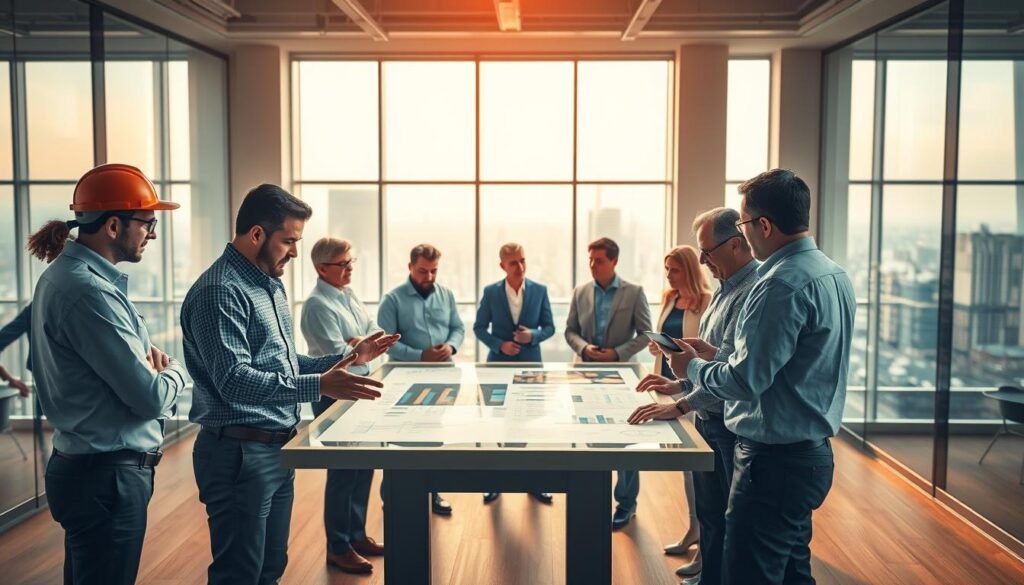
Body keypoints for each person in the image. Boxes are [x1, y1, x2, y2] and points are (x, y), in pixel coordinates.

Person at [181, 184, 398, 585]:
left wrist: (351, 358)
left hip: (275, 446)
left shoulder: (268, 285)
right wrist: (318, 385)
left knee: (270, 568)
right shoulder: (219, 291)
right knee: (239, 573)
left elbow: (281, 361)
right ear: (257, 234)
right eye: (290, 241)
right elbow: (234, 381)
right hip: (237, 453)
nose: (296, 252)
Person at [648, 170, 855, 585]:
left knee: (748, 574)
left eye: (744, 223)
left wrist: (693, 369)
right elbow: (789, 364)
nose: (744, 232)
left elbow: (745, 381)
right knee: (794, 572)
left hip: (773, 462)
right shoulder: (833, 273)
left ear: (763, 226)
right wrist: (715, 357)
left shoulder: (777, 284)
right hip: (809, 454)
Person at [28, 163, 189, 585]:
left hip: (92, 471)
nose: (151, 234)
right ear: (114, 225)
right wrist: (175, 371)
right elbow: (151, 397)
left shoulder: (68, 279)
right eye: (147, 223)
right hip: (106, 478)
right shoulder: (90, 292)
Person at [629, 208, 759, 584]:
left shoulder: (750, 292)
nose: (703, 259)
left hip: (727, 423)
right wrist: (681, 384)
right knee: (711, 512)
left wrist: (682, 402)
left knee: (728, 519)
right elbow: (722, 357)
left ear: (736, 244)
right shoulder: (725, 290)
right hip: (708, 417)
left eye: (707, 250)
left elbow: (737, 375)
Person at [300, 237, 386, 574]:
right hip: (334, 393)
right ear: (323, 268)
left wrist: (361, 346)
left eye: (351, 262)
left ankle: (356, 535)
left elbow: (372, 331)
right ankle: (338, 546)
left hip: (359, 389)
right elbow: (341, 357)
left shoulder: (347, 294)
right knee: (342, 470)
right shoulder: (317, 305)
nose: (350, 269)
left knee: (363, 465)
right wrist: (359, 349)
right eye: (343, 264)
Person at [564, 237, 652, 529]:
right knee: (590, 438)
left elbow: (645, 334)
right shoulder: (580, 291)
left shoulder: (634, 292)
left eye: (598, 260)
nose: (592, 265)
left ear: (614, 261)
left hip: (621, 376)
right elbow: (570, 331)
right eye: (590, 260)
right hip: (585, 375)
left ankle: (626, 504)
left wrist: (617, 354)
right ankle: (592, 497)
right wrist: (585, 349)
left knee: (626, 442)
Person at [377, 243, 465, 515]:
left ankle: (432, 493)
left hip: (442, 377)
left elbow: (457, 328)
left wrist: (450, 347)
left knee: (434, 436)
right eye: (422, 271)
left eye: (433, 271)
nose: (429, 277)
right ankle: (392, 496)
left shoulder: (447, 294)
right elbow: (385, 342)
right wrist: (419, 356)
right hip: (405, 380)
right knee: (401, 438)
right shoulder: (392, 300)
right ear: (410, 267)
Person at [643, 245, 711, 572]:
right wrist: (658, 345)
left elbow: (703, 349)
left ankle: (705, 548)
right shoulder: (669, 298)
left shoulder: (706, 302)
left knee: (701, 467)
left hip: (697, 389)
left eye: (674, 269)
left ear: (689, 270)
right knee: (688, 468)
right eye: (666, 268)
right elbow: (670, 342)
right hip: (670, 386)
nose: (668, 275)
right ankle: (693, 531)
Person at [473, 242, 555, 504]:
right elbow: (478, 328)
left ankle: (534, 483)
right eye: (513, 263)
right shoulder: (490, 292)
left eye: (522, 260)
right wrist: (500, 345)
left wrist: (532, 336)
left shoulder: (540, 290)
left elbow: (550, 327)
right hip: (498, 366)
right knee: (499, 425)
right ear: (502, 266)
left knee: (529, 425)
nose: (519, 267)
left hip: (531, 366)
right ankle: (495, 482)